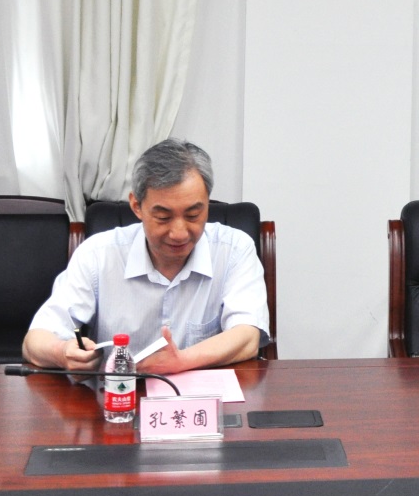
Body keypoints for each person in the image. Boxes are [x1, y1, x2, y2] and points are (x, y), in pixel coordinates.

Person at [23, 138, 269, 375]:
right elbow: (35, 341)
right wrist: (63, 353)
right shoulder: (97, 255)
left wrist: (182, 361)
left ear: (207, 203)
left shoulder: (234, 249)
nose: (179, 233)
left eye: (193, 215)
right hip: (119, 397)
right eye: (163, 217)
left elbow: (248, 335)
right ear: (136, 206)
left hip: (205, 399)